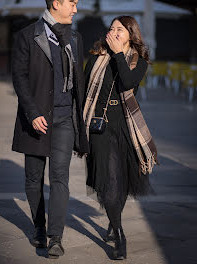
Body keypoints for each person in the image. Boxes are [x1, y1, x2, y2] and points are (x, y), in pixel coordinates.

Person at [12, 0, 89, 259]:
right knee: (33, 178)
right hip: (35, 119)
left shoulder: (76, 38)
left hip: (65, 117)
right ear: (56, 4)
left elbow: (78, 79)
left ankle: (56, 237)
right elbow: (19, 78)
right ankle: (39, 228)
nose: (76, 9)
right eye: (73, 3)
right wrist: (32, 113)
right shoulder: (26, 36)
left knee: (60, 177)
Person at [83, 16, 158, 260]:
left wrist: (117, 55)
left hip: (125, 126)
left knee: (123, 183)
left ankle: (112, 221)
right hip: (100, 127)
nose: (114, 32)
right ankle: (120, 232)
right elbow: (83, 92)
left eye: (120, 29)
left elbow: (127, 82)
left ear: (130, 35)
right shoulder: (95, 57)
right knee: (111, 182)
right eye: (112, 28)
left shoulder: (140, 62)